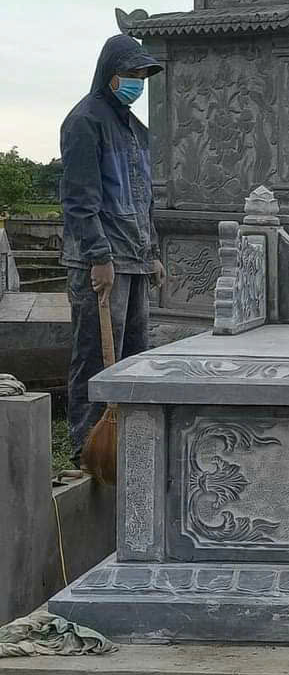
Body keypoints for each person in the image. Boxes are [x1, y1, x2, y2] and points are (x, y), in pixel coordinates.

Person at [60, 35, 165, 466]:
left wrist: (151, 251)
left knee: (135, 353)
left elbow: (144, 197)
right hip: (100, 258)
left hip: (134, 255)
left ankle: (129, 442)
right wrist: (98, 257)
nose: (138, 81)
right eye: (131, 73)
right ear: (110, 74)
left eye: (143, 74)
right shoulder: (85, 121)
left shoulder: (135, 128)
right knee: (95, 355)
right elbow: (80, 198)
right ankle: (86, 447)